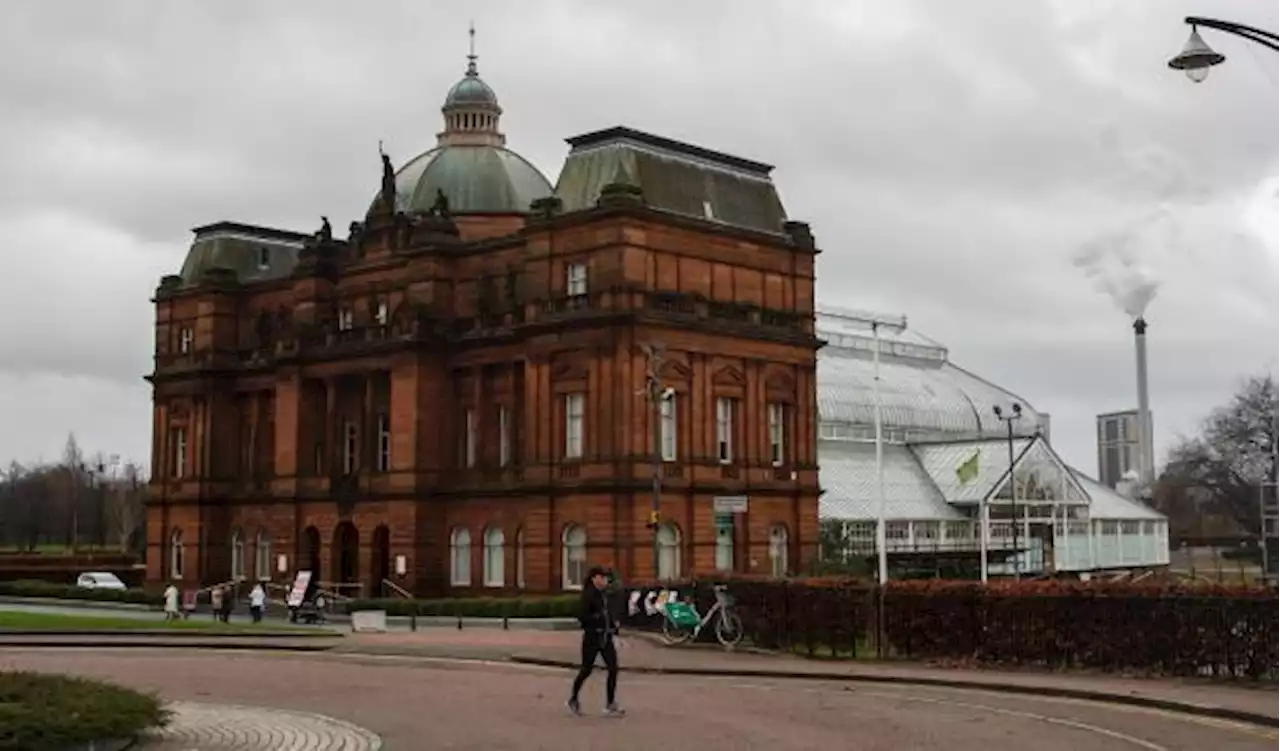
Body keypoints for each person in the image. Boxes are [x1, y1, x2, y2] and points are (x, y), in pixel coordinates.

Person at [567, 567, 623, 717]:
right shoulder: (588, 595)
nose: (605, 581)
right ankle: (573, 698)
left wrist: (613, 625)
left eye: (606, 578)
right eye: (602, 577)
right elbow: (582, 617)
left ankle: (610, 703)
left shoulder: (604, 595)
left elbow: (608, 614)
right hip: (592, 637)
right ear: (594, 579)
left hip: (605, 637)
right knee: (586, 669)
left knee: (613, 668)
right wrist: (597, 618)